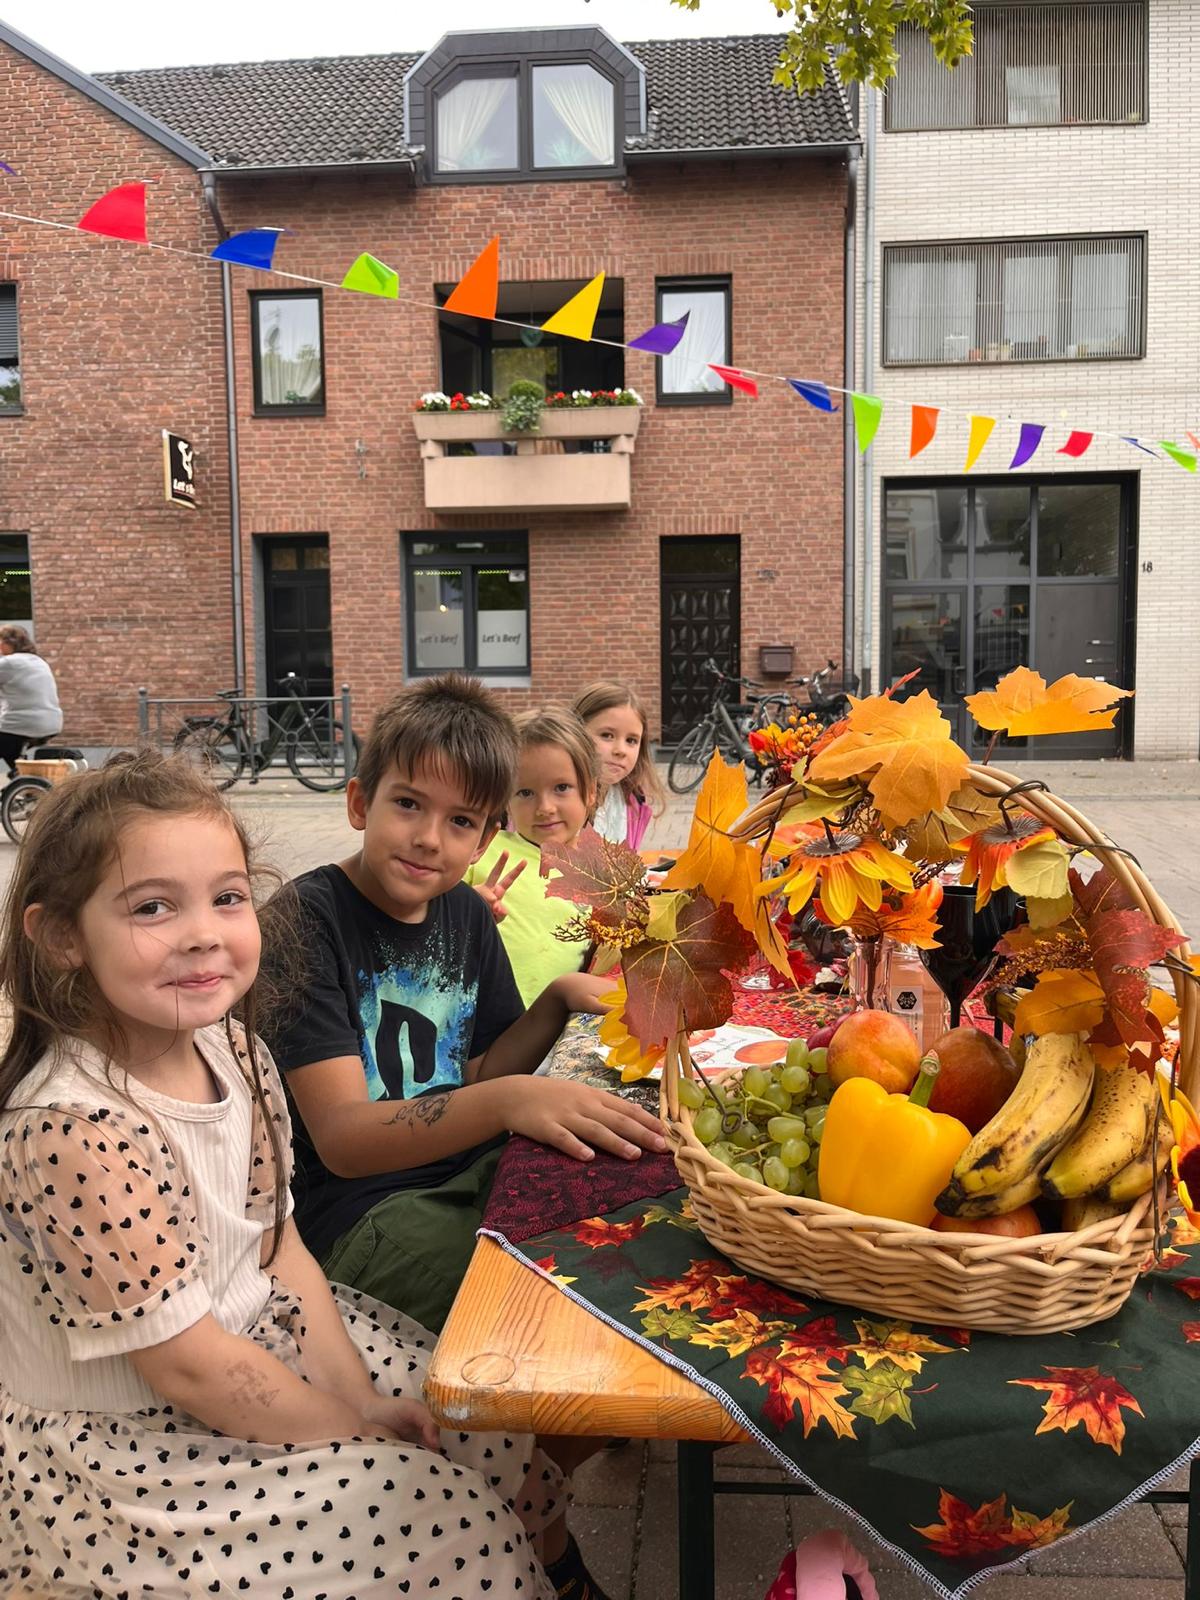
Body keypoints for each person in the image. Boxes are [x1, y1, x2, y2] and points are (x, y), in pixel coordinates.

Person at [0, 752, 567, 1600]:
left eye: (227, 898)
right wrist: (351, 1432)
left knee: (490, 1431)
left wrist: (357, 1397)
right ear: (62, 936)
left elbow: (280, 1249)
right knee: (448, 1520)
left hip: (263, 1342)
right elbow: (190, 1369)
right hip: (131, 1452)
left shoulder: (234, 1050)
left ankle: (556, 1573)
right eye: (153, 906)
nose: (203, 932)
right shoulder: (72, 1130)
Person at [262, 675, 663, 1341]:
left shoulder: (464, 914)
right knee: (548, 1315)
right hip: (361, 1214)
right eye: (408, 804)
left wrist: (557, 1000)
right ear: (360, 803)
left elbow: (478, 1070)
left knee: (631, 1236)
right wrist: (508, 1102)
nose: (429, 838)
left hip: (469, 1169)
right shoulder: (305, 924)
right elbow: (343, 1140)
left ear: (483, 841)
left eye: (460, 821)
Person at [465, 706, 615, 1011]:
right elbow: (423, 916)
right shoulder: (481, 850)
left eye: (561, 788)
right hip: (475, 1025)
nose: (545, 807)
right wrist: (465, 906)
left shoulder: (604, 875)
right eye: (525, 793)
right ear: (505, 799)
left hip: (550, 1028)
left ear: (591, 791)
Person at [572, 680, 664, 851]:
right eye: (607, 735)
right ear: (576, 732)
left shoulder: (633, 803)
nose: (621, 750)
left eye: (631, 740)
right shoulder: (558, 800)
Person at [0, 623, 63, 777]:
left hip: (23, 724)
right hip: (51, 724)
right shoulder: (39, 661)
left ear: (9, 643)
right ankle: (24, 780)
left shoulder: (9, 663)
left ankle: (22, 778)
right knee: (11, 751)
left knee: (7, 745)